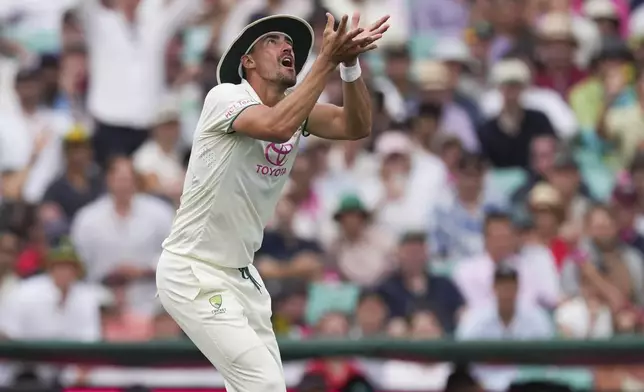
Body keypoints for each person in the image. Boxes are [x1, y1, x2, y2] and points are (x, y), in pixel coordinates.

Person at [156, 12, 390, 392]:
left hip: (242, 275)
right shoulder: (226, 97)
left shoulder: (295, 112)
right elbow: (275, 125)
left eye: (291, 43)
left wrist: (348, 64)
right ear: (246, 61)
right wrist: (326, 60)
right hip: (192, 270)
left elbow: (356, 125)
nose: (288, 47)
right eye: (272, 40)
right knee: (262, 384)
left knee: (265, 387)